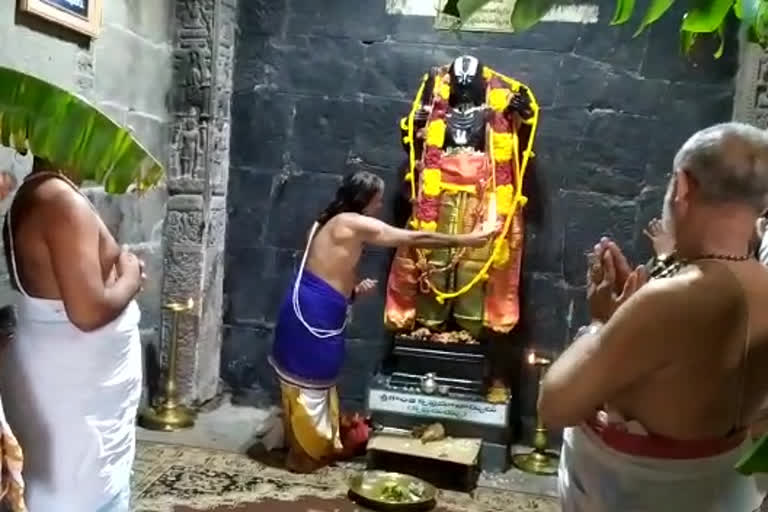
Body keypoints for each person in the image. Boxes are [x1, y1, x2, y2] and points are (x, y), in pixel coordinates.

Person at [539, 122, 768, 511]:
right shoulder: (760, 283)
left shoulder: (673, 298)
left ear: (682, 186)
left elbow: (554, 405)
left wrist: (603, 323)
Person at [269, 170, 498, 473]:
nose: (379, 206)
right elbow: (413, 237)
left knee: (314, 385)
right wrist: (468, 239)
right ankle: (303, 454)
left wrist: (351, 292)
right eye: (377, 200)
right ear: (363, 200)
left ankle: (306, 445)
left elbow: (327, 267)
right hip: (312, 314)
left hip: (313, 310)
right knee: (310, 385)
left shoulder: (326, 221)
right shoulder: (351, 222)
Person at [0, 157, 145, 511]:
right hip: (75, 391)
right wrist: (131, 275)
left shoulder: (38, 192)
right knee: (77, 490)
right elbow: (88, 311)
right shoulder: (60, 202)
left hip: (71, 379)